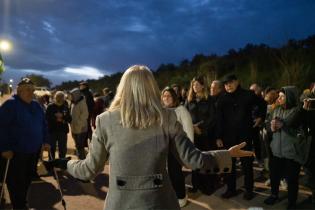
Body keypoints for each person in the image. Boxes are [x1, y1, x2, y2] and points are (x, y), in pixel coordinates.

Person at [47, 65, 254, 210]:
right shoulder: (168, 117)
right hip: (160, 202)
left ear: (123, 87)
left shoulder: (105, 120)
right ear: (152, 88)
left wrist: (67, 163)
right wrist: (227, 154)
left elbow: (89, 170)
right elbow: (194, 160)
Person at [0, 78, 50, 210]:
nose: (31, 92)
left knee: (27, 179)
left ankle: (22, 203)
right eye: (27, 89)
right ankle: (19, 206)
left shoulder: (36, 105)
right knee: (15, 182)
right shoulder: (10, 105)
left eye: (32, 89)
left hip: (33, 151)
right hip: (15, 153)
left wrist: (46, 140)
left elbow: (43, 125)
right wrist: (5, 148)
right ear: (19, 90)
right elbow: (1, 127)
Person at [216, 74, 263, 200]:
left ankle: (249, 190)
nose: (228, 86)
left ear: (237, 81)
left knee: (246, 164)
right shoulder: (222, 99)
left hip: (245, 136)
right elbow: (219, 119)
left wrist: (260, 117)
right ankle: (231, 190)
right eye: (225, 84)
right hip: (228, 137)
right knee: (229, 165)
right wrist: (219, 137)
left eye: (230, 82)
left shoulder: (248, 94)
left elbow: (262, 104)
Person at [264, 86, 309, 210]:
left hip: (292, 152)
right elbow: (268, 124)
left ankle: (292, 203)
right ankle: (274, 195)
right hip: (277, 151)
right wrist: (271, 128)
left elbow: (291, 122)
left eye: (282, 96)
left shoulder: (299, 111)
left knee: (292, 179)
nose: (279, 98)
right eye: (279, 96)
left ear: (289, 97)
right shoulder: (276, 109)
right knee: (274, 175)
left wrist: (281, 124)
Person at [185, 76, 218, 195]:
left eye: (197, 84)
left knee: (206, 159)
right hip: (193, 134)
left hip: (206, 135)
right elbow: (185, 116)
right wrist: (192, 127)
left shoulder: (209, 99)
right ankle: (196, 185)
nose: (195, 87)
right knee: (194, 159)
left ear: (203, 86)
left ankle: (208, 186)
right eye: (193, 85)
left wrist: (202, 129)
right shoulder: (189, 100)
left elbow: (212, 117)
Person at [161, 86, 194, 207]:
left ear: (174, 97)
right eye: (164, 96)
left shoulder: (181, 110)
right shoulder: (162, 111)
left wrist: (188, 149)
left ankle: (181, 196)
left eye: (168, 95)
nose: (166, 98)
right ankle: (172, 195)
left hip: (178, 147)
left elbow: (189, 130)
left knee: (176, 173)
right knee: (167, 174)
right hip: (165, 148)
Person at [46, 91, 71, 159]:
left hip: (62, 131)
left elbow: (69, 119)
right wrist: (55, 118)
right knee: (51, 148)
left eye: (61, 97)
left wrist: (62, 118)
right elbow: (46, 117)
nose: (59, 98)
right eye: (58, 97)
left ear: (64, 98)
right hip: (52, 131)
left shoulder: (66, 107)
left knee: (62, 149)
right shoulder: (50, 106)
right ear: (55, 97)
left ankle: (61, 163)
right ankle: (51, 163)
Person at [69, 88, 89, 160]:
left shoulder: (82, 103)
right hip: (74, 128)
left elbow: (85, 115)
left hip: (81, 129)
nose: (71, 97)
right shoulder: (73, 103)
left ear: (76, 95)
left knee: (80, 146)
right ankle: (80, 160)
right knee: (77, 146)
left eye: (72, 95)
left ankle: (82, 162)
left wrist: (77, 123)